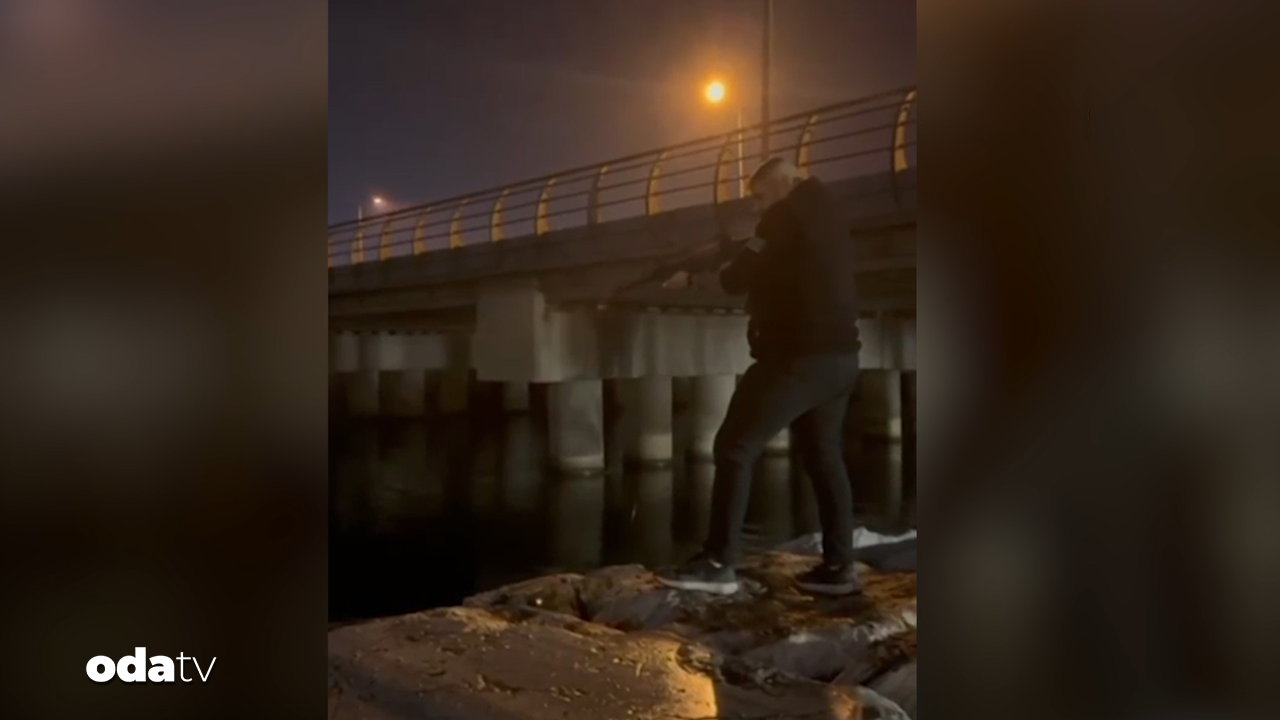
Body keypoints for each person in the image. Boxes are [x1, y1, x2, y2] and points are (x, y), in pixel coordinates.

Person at [656, 157, 862, 596]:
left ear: (785, 183)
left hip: (797, 358)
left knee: (733, 446)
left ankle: (718, 563)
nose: (757, 207)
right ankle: (840, 567)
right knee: (824, 456)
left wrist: (690, 278)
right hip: (841, 359)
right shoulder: (828, 210)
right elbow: (778, 258)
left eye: (760, 196)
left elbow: (738, 278)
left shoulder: (783, 214)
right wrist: (741, 247)